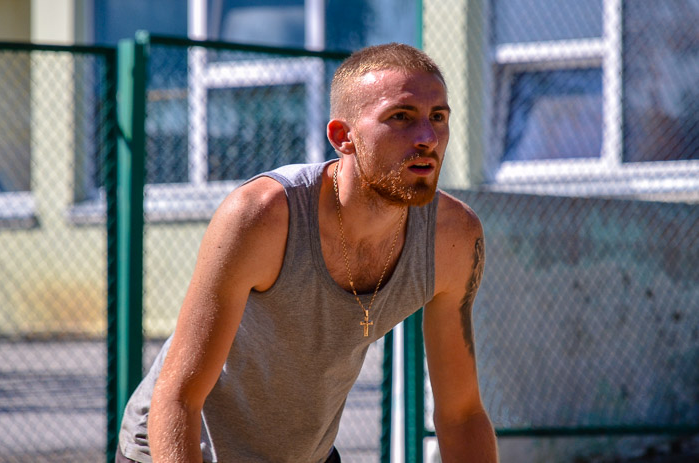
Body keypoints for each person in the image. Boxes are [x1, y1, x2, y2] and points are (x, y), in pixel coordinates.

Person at [117, 42, 498, 463]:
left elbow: (462, 414)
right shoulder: (262, 216)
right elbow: (178, 398)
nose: (427, 137)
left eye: (438, 117)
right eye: (401, 117)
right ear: (343, 137)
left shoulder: (453, 237)